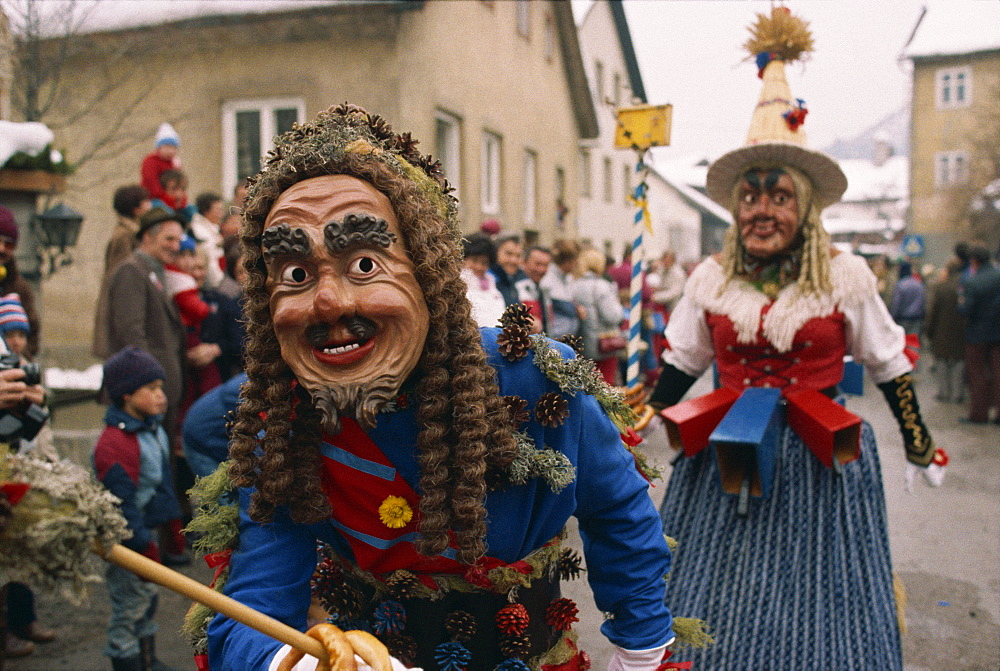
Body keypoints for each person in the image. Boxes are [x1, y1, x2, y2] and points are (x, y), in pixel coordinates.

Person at [203, 104, 677, 671]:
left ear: (428, 271)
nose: (328, 302)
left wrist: (642, 652)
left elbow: (618, 512)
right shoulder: (283, 422)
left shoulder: (529, 376)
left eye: (363, 264)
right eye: (297, 275)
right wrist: (297, 664)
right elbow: (252, 604)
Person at [647, 8, 944, 668]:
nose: (761, 209)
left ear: (804, 206)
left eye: (778, 196)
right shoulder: (711, 279)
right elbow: (683, 363)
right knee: (713, 589)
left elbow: (890, 362)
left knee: (819, 596)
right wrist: (631, 422)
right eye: (750, 197)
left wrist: (918, 438)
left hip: (821, 461)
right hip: (722, 454)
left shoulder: (845, 276)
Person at [92, 346, 182, 671]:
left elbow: (162, 485)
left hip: (146, 534)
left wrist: (172, 531)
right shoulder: (115, 444)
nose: (162, 396)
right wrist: (141, 546)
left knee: (147, 599)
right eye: (152, 389)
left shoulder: (152, 428)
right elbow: (120, 506)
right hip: (124, 541)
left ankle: (148, 658)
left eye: (161, 387)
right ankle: (126, 658)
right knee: (129, 605)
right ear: (127, 395)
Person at [93, 185, 153, 359]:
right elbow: (120, 273)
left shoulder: (131, 232)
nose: (150, 205)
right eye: (146, 202)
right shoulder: (125, 235)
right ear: (136, 209)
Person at [957, 242, 1000, 424]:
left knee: (977, 375)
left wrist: (960, 302)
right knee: (998, 373)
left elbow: (966, 310)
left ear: (974, 261)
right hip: (998, 334)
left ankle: (979, 414)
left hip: (977, 335)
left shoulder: (972, 282)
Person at [571, 249, 624, 385]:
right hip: (603, 345)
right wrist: (619, 306)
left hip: (582, 344)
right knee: (605, 384)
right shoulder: (602, 286)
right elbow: (612, 316)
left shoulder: (573, 285)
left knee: (586, 386)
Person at [925, 256, 967, 403]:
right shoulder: (965, 286)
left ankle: (943, 392)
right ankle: (957, 393)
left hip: (941, 331)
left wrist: (928, 331)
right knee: (959, 362)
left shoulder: (940, 287)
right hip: (961, 331)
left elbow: (932, 311)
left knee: (942, 361)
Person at [0, 206, 40, 359]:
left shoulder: (20, 287)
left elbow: (33, 332)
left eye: (8, 244)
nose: (1, 249)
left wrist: (19, 358)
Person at [540, 239, 583, 340]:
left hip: (567, 339)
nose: (577, 264)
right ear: (568, 261)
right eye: (575, 259)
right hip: (554, 340)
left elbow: (570, 299)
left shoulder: (568, 278)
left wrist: (576, 307)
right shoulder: (548, 279)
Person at [460, 233, 505, 328]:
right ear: (463, 259)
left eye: (484, 263)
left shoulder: (494, 292)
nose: (479, 267)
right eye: (474, 260)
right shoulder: (458, 287)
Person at [189, 192, 227, 291]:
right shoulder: (201, 233)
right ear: (206, 211)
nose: (221, 214)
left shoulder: (210, 229)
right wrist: (221, 287)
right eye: (218, 210)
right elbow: (210, 263)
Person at [140, 123, 183, 210]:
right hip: (152, 199)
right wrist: (169, 200)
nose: (171, 151)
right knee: (166, 212)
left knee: (190, 210)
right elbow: (152, 185)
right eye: (167, 147)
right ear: (159, 148)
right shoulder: (150, 162)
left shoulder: (175, 163)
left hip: (172, 198)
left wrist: (181, 199)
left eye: (174, 148)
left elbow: (180, 184)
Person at [515, 245, 555, 335]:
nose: (541, 269)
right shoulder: (515, 287)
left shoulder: (544, 288)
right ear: (524, 262)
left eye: (545, 265)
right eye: (537, 264)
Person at [488, 232, 527, 306]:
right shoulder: (487, 280)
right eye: (508, 254)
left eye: (518, 256)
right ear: (495, 252)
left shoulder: (517, 279)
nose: (513, 260)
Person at [889, 261, 926, 336]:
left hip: (902, 319)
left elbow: (896, 303)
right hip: (916, 319)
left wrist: (892, 317)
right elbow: (923, 302)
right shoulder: (919, 284)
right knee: (913, 343)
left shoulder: (900, 285)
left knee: (902, 342)